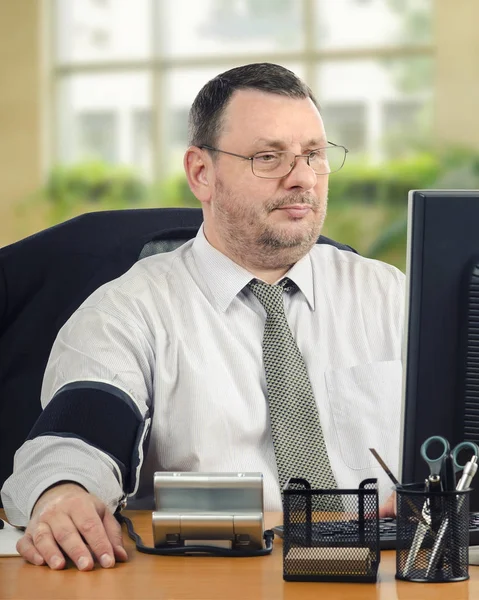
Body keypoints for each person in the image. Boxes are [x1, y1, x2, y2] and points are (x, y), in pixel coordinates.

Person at [1, 63, 404, 570]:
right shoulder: (128, 310)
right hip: (206, 576)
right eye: (267, 157)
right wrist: (64, 493)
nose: (301, 178)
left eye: (313, 156)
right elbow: (79, 435)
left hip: (382, 574)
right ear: (201, 174)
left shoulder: (392, 297)